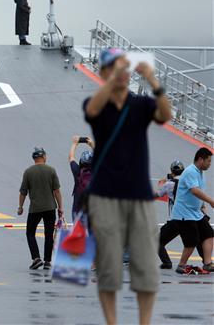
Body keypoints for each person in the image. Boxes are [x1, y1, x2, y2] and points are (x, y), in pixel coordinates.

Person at [83, 47, 172, 325]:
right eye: (115, 67)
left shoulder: (141, 105)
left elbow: (165, 115)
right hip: (105, 196)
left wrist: (153, 81)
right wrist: (112, 79)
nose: (122, 72)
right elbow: (92, 111)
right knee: (108, 267)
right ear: (104, 71)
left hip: (140, 197)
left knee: (146, 266)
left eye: (124, 67)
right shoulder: (96, 104)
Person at [17, 147, 63, 270]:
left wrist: (20, 207)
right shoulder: (51, 170)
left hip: (35, 209)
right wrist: (60, 208)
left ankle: (36, 258)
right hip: (50, 208)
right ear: (43, 157)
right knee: (48, 235)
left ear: (34, 158)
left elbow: (23, 192)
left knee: (30, 233)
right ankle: (47, 261)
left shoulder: (28, 172)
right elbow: (57, 191)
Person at [170, 147, 214, 274]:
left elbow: (199, 191)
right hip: (184, 213)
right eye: (208, 161)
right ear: (200, 159)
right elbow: (194, 190)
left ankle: (207, 263)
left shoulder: (200, 172)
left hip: (195, 212)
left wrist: (203, 205)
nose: (210, 164)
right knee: (192, 240)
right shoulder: (190, 171)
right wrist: (211, 201)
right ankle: (181, 265)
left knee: (209, 233)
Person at [68, 136, 95, 220]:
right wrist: (92, 145)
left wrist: (75, 143)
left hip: (77, 210)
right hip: (92, 211)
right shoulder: (96, 171)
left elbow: (71, 157)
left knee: (78, 233)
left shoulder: (77, 171)